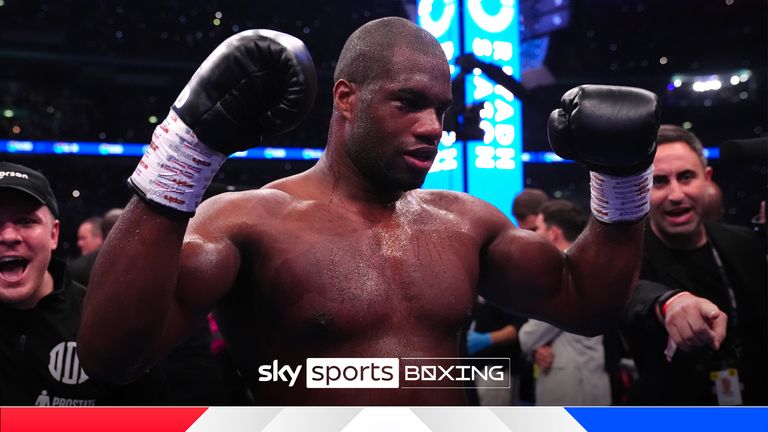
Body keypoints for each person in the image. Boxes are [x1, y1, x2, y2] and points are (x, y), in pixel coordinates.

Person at [78, 18, 660, 405]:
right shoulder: (249, 221)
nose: (432, 127)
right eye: (408, 103)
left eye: (439, 108)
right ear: (346, 98)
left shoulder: (465, 221)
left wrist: (623, 180)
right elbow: (114, 355)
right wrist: (184, 153)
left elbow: (588, 303)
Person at [621, 125, 767, 405]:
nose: (676, 194)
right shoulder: (626, 255)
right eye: (660, 181)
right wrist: (667, 302)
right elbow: (625, 292)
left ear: (707, 179)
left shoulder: (744, 242)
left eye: (686, 177)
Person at [0, 161, 163, 405]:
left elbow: (153, 420)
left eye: (26, 221)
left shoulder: (106, 324)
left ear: (53, 235)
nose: (9, 236)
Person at [518, 199, 611, 406]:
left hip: (574, 388)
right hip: (584, 380)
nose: (535, 234)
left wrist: (533, 343)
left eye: (539, 228)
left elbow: (528, 336)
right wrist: (537, 348)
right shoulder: (585, 265)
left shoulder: (563, 273)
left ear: (553, 233)